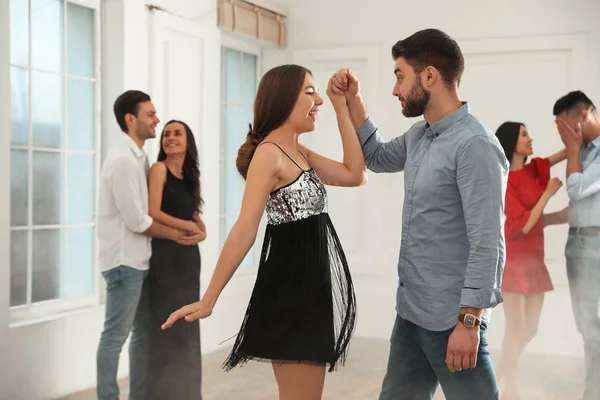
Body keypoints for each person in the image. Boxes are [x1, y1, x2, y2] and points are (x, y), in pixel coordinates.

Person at [162, 64, 366, 400]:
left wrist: (342, 105)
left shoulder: (300, 152)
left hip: (313, 288)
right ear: (284, 98)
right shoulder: (269, 155)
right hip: (291, 291)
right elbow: (245, 227)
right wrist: (209, 298)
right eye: (310, 92)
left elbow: (355, 174)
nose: (319, 102)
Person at [331, 28, 508, 400]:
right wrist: (353, 100)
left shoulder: (475, 146)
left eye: (400, 76)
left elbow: (488, 242)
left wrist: (470, 322)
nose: (395, 90)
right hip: (411, 313)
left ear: (429, 76)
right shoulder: (419, 136)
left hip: (452, 320)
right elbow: (376, 156)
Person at [96, 90, 203, 400]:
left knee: (142, 335)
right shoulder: (124, 161)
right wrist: (183, 234)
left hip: (141, 262)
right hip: (123, 263)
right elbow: (138, 221)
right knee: (115, 337)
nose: (157, 120)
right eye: (151, 115)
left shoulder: (139, 158)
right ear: (131, 120)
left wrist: (195, 230)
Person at [494, 121, 568, 399]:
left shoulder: (534, 168)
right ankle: (505, 385)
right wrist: (548, 195)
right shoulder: (506, 181)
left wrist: (578, 139)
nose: (530, 138)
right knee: (515, 330)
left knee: (530, 329)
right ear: (512, 142)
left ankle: (497, 374)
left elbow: (562, 154)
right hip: (514, 263)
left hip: (535, 262)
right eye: (524, 134)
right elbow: (523, 226)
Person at [146, 120, 206, 399]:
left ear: (188, 141)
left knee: (188, 327)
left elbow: (199, 224)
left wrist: (198, 232)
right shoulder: (158, 170)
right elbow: (153, 210)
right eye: (166, 134)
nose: (170, 138)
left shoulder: (189, 179)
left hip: (188, 261)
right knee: (166, 326)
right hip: (166, 260)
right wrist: (184, 227)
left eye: (177, 133)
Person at [553, 90, 600, 400]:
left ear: (584, 116)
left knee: (594, 330)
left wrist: (570, 148)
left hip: (594, 247)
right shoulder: (582, 151)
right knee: (587, 328)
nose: (563, 135)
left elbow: (577, 189)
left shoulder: (580, 152)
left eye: (566, 127)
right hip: (578, 245)